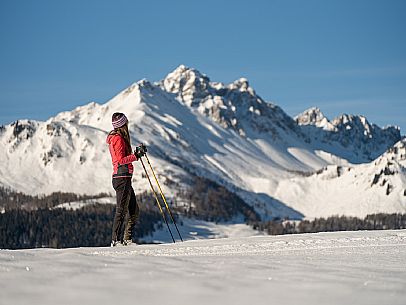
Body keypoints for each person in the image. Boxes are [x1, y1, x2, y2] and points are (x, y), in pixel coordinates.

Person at [106, 112, 144, 246]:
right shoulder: (118, 139)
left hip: (125, 177)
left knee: (134, 211)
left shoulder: (120, 138)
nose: (128, 124)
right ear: (123, 124)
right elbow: (120, 160)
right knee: (121, 211)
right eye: (126, 122)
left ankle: (127, 240)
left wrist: (136, 154)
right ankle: (115, 241)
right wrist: (136, 156)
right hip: (121, 178)